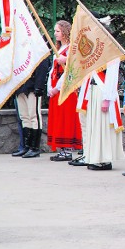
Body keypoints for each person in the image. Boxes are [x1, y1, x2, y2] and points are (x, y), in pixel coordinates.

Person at [47, 20, 82, 161]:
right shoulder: (59, 49)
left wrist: (57, 88)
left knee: (65, 119)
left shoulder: (70, 50)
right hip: (56, 89)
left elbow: (70, 71)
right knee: (58, 118)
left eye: (58, 31)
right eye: (55, 31)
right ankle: (62, 149)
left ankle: (67, 150)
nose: (55, 34)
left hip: (65, 90)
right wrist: (50, 87)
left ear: (65, 32)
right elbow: (53, 71)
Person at [84, 59, 125, 171]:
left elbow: (112, 76)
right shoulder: (98, 50)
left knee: (103, 126)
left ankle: (104, 159)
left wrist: (106, 99)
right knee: (96, 126)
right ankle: (96, 157)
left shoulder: (111, 52)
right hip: (95, 90)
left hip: (103, 92)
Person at [14, 58, 50, 158]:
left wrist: (39, 86)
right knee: (24, 117)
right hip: (20, 86)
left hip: (32, 85)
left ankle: (34, 148)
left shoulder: (38, 47)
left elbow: (42, 66)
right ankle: (27, 146)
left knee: (34, 116)